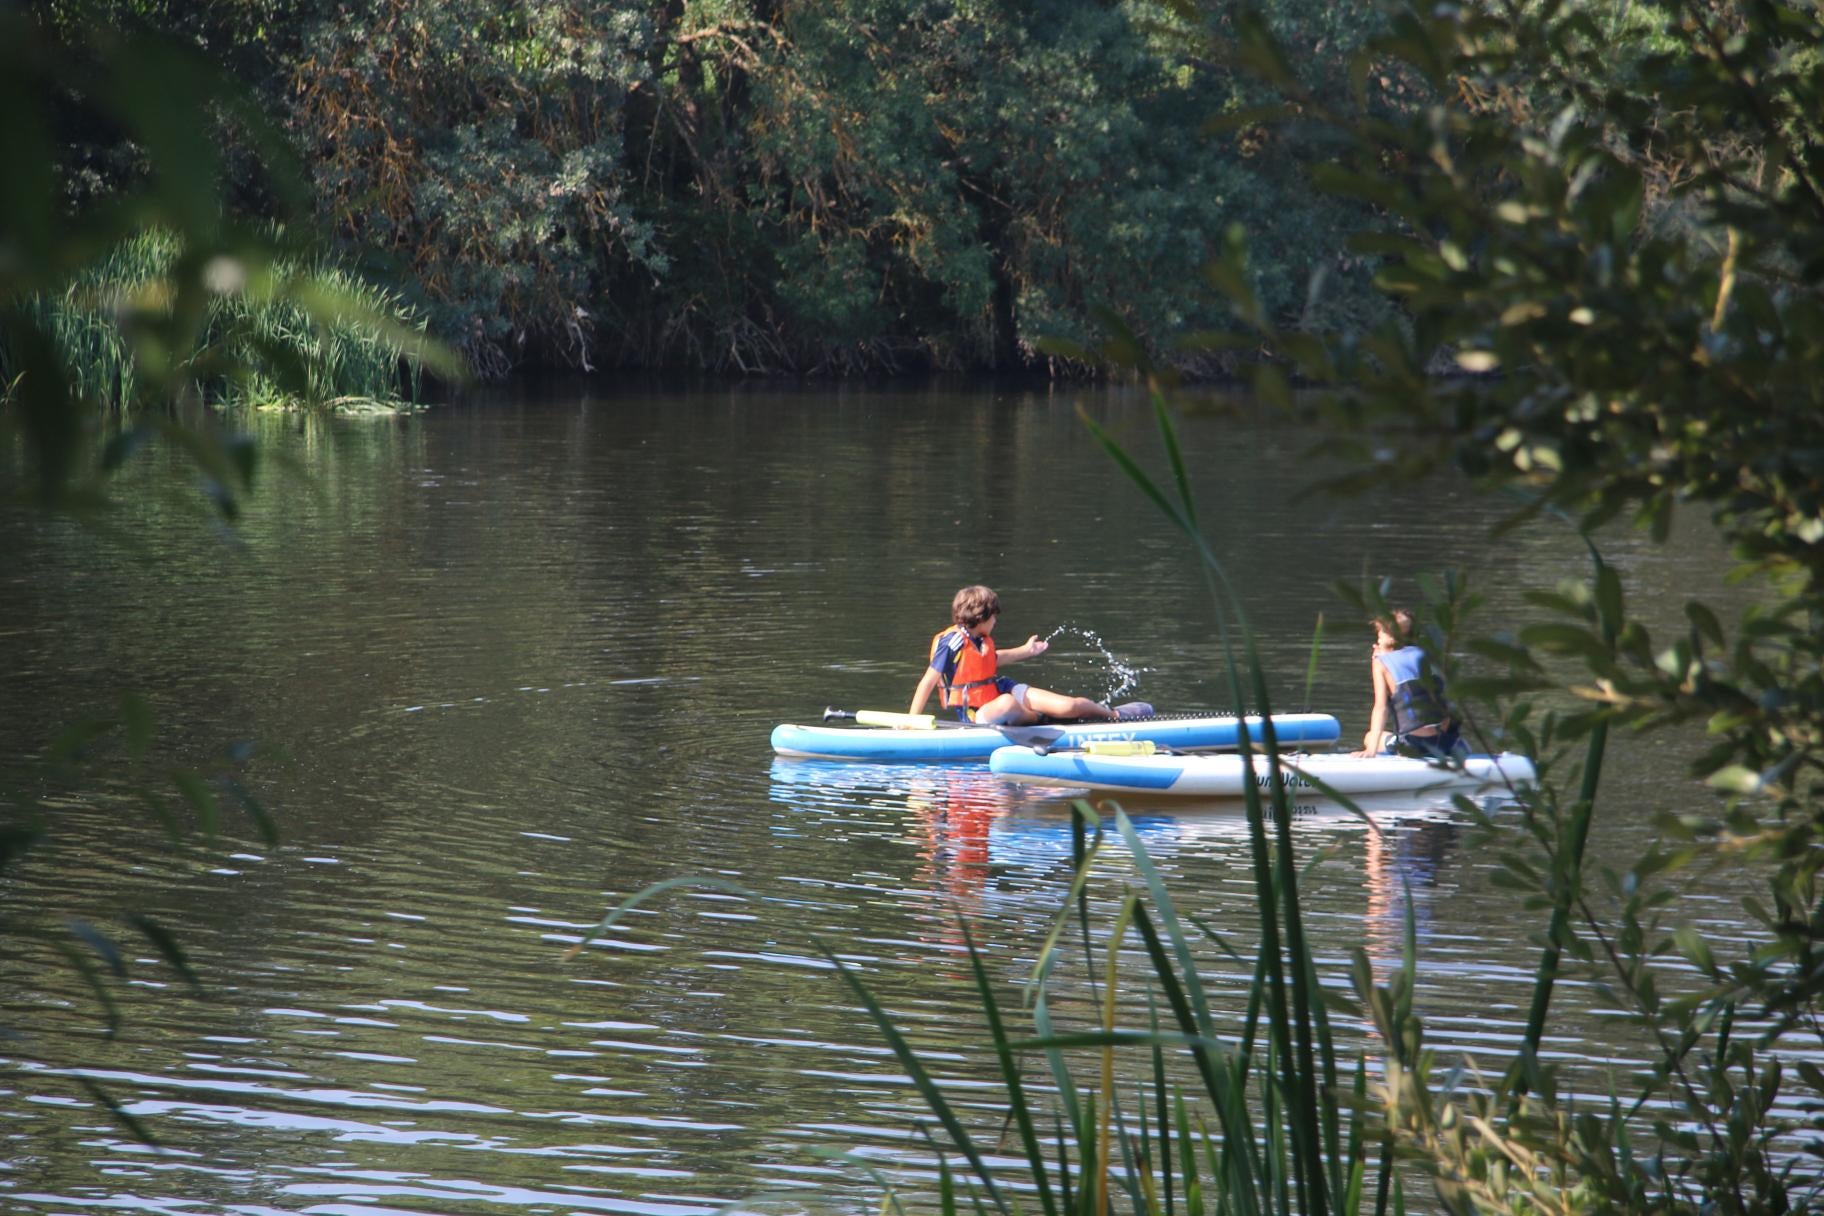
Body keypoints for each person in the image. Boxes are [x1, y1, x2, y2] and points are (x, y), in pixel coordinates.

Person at [908, 585, 1150, 725]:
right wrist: (911, 723)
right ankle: (1040, 720)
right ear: (981, 617)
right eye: (994, 617)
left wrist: (1026, 651)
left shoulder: (981, 639)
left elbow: (992, 661)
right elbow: (928, 681)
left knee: (1069, 705)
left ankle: (1114, 715)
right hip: (975, 712)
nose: (995, 622)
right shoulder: (952, 642)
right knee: (1007, 703)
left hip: (1001, 690)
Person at [1356, 609, 1466, 758]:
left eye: (1380, 633)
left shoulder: (1381, 663)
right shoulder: (1430, 656)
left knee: (1369, 737)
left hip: (1412, 745)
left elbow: (1381, 708)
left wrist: (1371, 751)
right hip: (1444, 742)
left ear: (1389, 636)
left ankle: (1383, 747)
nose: (1378, 638)